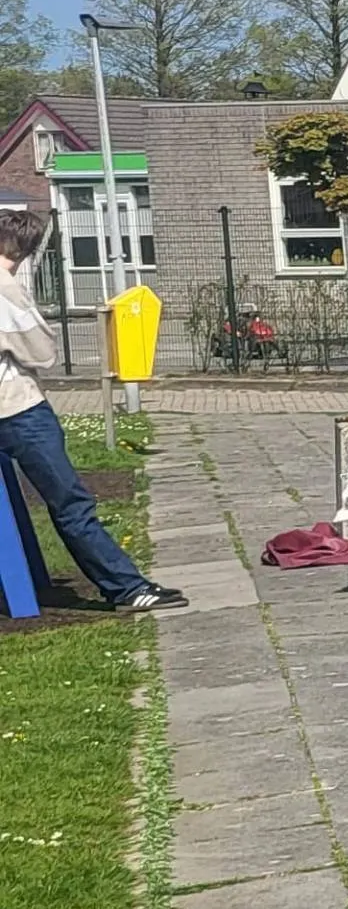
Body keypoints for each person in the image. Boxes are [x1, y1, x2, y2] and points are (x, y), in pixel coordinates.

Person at [0, 210, 182, 614]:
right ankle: (126, 587)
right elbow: (43, 352)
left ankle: (28, 582)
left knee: (12, 507)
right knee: (70, 502)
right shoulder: (4, 286)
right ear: (25, 249)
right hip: (18, 410)